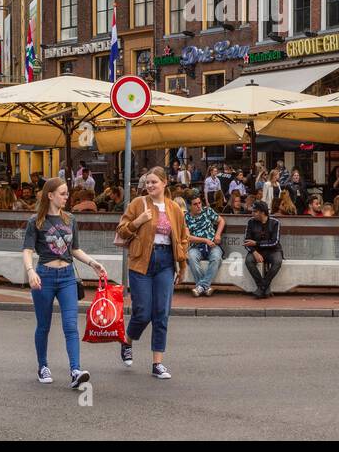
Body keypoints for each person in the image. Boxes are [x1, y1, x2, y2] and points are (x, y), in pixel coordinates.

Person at [23, 177, 107, 388]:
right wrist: (31, 271)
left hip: (68, 277)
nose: (66, 197)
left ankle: (75, 371)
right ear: (50, 195)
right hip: (45, 276)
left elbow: (75, 249)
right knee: (43, 325)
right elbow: (27, 250)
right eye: (62, 193)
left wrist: (92, 263)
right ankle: (43, 366)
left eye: (67, 193)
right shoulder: (36, 221)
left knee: (71, 325)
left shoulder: (70, 219)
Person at [115, 166, 189, 380]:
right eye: (147, 182)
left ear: (165, 183)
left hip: (165, 261)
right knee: (143, 312)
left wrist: (182, 266)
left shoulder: (174, 208)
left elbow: (183, 238)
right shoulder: (138, 204)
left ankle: (157, 363)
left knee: (161, 313)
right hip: (141, 262)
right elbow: (122, 230)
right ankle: (127, 340)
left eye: (154, 182)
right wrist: (138, 221)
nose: (149, 186)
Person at [183, 193, 225, 297]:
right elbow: (188, 237)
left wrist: (218, 234)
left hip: (212, 245)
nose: (199, 206)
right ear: (189, 206)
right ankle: (205, 287)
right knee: (191, 257)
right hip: (195, 247)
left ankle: (201, 286)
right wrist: (205, 240)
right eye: (195, 204)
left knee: (216, 258)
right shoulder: (185, 217)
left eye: (199, 203)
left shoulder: (207, 211)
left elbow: (221, 221)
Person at [242, 200, 282, 299]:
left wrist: (256, 243)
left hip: (273, 250)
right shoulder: (251, 222)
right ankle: (264, 287)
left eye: (255, 211)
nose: (252, 213)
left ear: (262, 212)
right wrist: (254, 252)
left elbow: (274, 242)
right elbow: (246, 242)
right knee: (248, 260)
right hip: (257, 251)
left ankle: (262, 287)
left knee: (278, 261)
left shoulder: (275, 223)